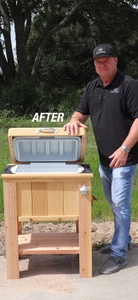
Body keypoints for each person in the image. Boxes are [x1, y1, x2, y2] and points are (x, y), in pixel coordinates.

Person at [64, 44, 138, 275]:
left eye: (106, 60)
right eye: (98, 61)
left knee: (120, 205)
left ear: (116, 60)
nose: (102, 64)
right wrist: (74, 120)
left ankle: (118, 254)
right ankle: (123, 239)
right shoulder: (92, 87)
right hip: (105, 159)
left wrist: (125, 148)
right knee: (113, 203)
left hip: (125, 158)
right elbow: (80, 112)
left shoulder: (129, 85)